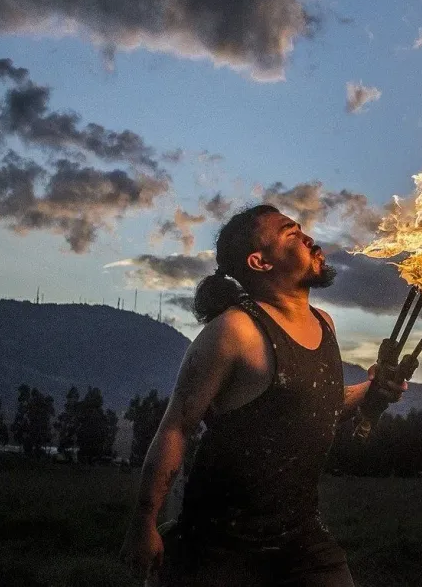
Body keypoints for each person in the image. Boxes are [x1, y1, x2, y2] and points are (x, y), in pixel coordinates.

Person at [120, 204, 406, 586]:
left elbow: (315, 406)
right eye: (292, 234)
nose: (309, 239)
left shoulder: (324, 323)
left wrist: (372, 390)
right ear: (260, 262)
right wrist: (144, 521)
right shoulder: (234, 331)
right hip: (222, 551)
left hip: (302, 543)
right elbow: (177, 427)